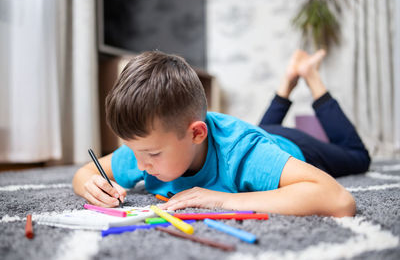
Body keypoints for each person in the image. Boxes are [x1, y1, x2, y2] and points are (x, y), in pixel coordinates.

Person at [73, 50, 369, 217]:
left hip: (293, 145)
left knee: (358, 156)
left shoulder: (246, 153)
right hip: (256, 134)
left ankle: (310, 76)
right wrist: (93, 185)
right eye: (134, 152)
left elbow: (340, 201)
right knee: (259, 131)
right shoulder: (149, 144)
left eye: (150, 155)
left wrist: (223, 200)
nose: (138, 166)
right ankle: (286, 84)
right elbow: (85, 171)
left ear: (196, 134)